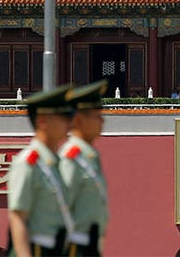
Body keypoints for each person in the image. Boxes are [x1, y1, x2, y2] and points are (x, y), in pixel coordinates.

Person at [7, 84, 90, 257]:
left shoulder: (54, 163)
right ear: (43, 122)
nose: (69, 123)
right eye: (62, 117)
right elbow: (18, 217)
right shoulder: (28, 163)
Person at [59, 80, 109, 255]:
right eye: (97, 115)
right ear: (79, 119)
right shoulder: (71, 158)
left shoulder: (89, 157)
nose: (102, 120)